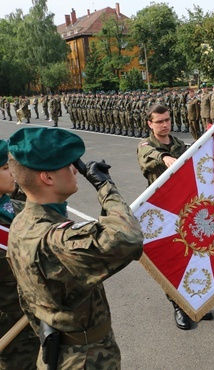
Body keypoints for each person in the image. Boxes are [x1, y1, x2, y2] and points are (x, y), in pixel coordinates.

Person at [6, 127, 143, 369]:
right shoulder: (54, 240)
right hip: (83, 358)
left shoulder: (21, 220)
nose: (75, 170)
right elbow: (127, 238)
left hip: (58, 348)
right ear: (47, 178)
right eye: (69, 164)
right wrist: (105, 186)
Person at [136, 104, 213, 329]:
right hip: (162, 215)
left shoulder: (178, 144)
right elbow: (147, 157)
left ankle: (196, 303)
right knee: (172, 262)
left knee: (194, 257)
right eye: (159, 121)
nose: (165, 124)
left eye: (167, 120)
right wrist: (164, 157)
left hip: (184, 209)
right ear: (150, 124)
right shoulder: (146, 145)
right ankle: (178, 306)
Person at [0, 140, 38, 369]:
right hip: (9, 334)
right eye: (5, 168)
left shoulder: (14, 206)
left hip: (32, 322)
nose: (11, 172)